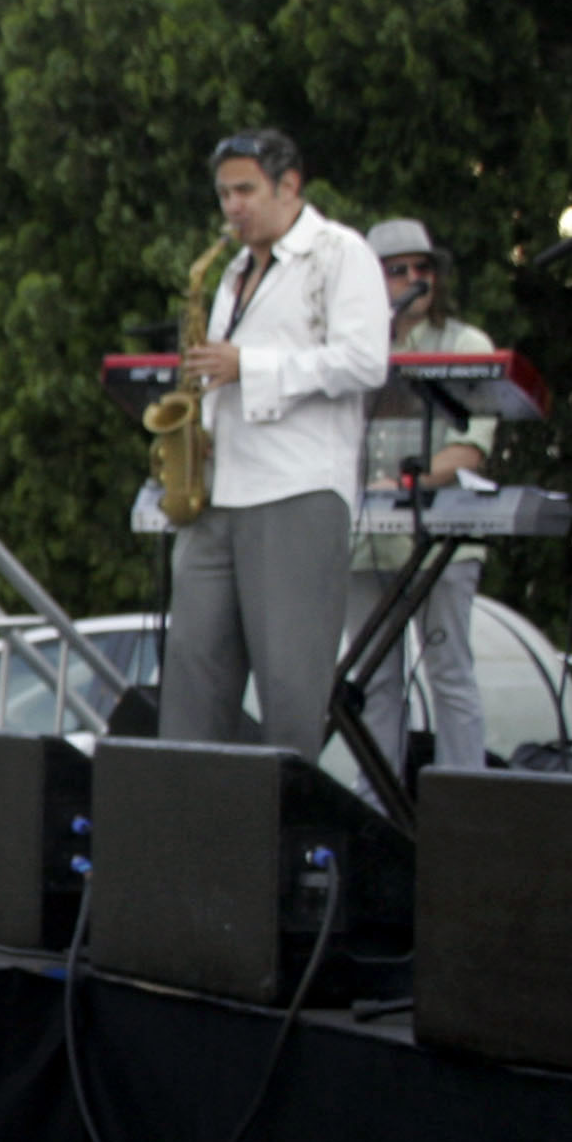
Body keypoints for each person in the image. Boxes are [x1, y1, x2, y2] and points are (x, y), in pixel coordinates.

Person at [164, 128, 390, 759]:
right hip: (221, 490)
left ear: (289, 186)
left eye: (246, 190)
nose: (232, 207)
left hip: (296, 486)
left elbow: (366, 362)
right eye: (223, 194)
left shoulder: (339, 253)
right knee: (191, 679)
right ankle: (189, 830)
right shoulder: (234, 271)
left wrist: (252, 367)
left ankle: (287, 837)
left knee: (290, 689)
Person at [346, 219, 497, 782]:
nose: (416, 278)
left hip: (439, 544)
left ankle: (466, 801)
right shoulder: (354, 351)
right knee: (373, 682)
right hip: (363, 543)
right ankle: (375, 807)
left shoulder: (464, 344)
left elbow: (471, 450)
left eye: (424, 268)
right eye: (399, 270)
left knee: (449, 675)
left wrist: (408, 486)